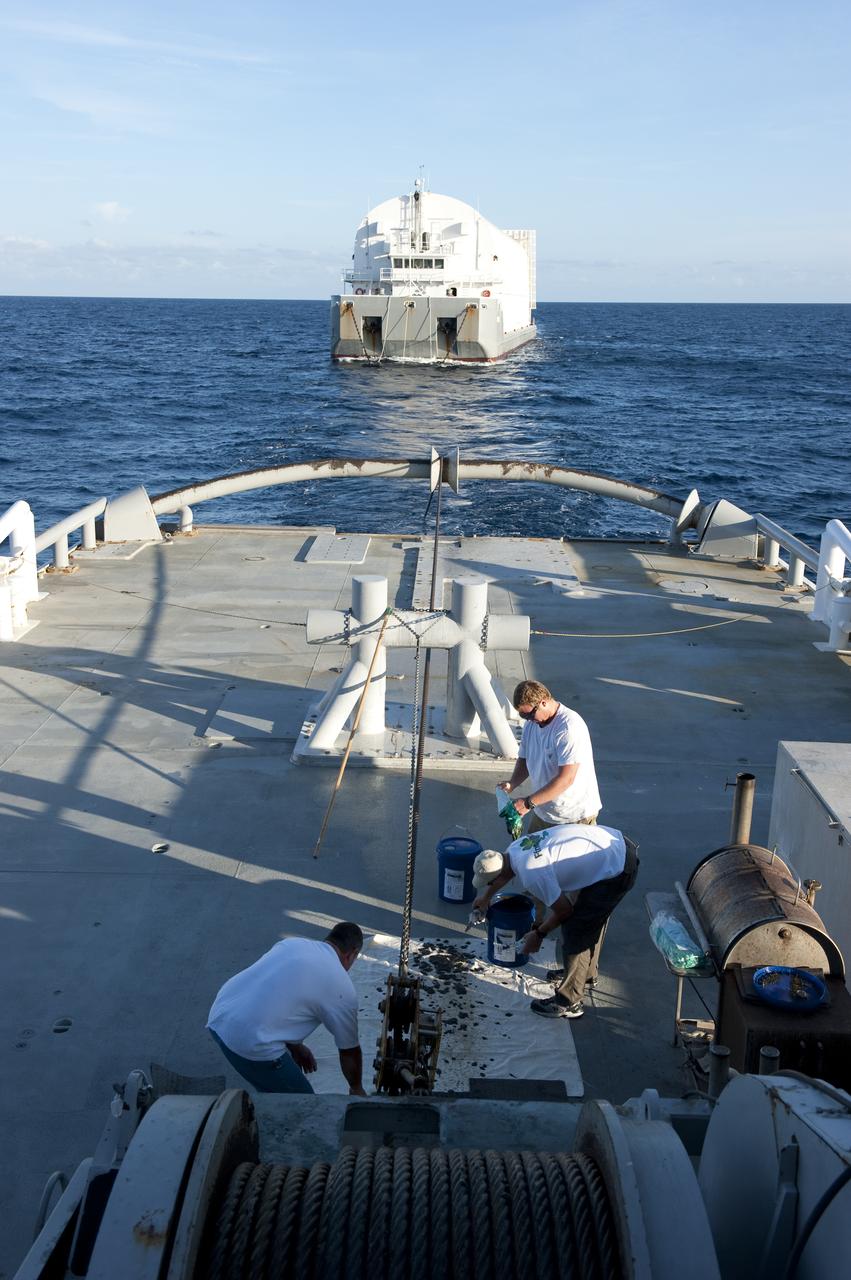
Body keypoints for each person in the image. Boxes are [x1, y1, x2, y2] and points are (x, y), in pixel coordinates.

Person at [471, 825, 638, 1019]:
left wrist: (539, 934)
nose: (491, 885)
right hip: (611, 845)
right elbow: (504, 875)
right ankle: (584, 976)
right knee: (588, 920)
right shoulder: (513, 851)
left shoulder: (533, 874)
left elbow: (564, 910)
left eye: (490, 882)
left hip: (618, 867)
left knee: (577, 929)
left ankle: (569, 1001)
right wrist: (486, 898)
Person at [206, 921, 366, 1095]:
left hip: (220, 1015)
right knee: (305, 1107)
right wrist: (356, 1088)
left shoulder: (293, 943)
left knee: (271, 1089)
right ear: (352, 954)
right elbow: (349, 1051)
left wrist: (296, 1047)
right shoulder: (341, 987)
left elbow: (277, 995)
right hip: (249, 1040)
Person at [499, 681, 601, 832]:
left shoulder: (568, 728)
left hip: (574, 817)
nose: (528, 719)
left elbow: (566, 779)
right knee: (530, 854)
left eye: (530, 714)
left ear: (543, 702)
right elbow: (525, 759)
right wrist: (512, 783)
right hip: (544, 813)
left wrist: (528, 803)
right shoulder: (531, 724)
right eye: (523, 715)